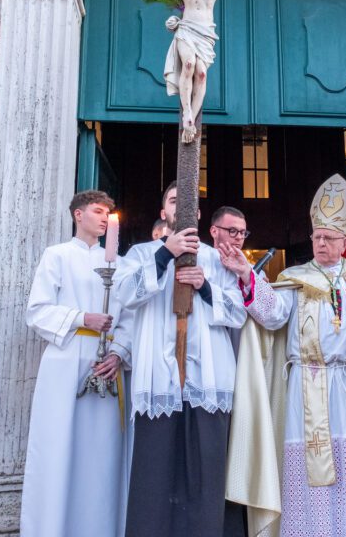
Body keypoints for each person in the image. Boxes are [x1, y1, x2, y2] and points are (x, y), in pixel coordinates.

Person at [220, 173, 346, 536]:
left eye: (329, 238)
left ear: (345, 241)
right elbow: (273, 315)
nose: (321, 244)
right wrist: (248, 275)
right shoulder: (296, 277)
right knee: (310, 475)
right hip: (309, 386)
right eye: (316, 237)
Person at [113, 182, 248, 537]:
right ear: (164, 212)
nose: (182, 207)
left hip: (208, 381)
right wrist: (164, 255)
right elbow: (125, 295)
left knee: (206, 479)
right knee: (153, 479)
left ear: (199, 214)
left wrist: (205, 287)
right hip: (160, 380)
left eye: (189, 202)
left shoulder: (218, 259)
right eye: (174, 201)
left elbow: (238, 314)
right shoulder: (142, 254)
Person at [20, 190, 126, 536]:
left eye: (108, 213)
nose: (104, 218)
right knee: (58, 447)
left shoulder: (120, 264)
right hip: (66, 360)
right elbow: (37, 311)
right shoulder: (57, 256)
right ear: (77, 215)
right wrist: (83, 318)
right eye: (97, 211)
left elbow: (130, 318)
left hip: (105, 366)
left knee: (101, 455)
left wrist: (118, 352)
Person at [110, 0, 281, 142]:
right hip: (187, 27)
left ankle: (192, 116)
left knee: (201, 74)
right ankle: (187, 116)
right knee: (189, 64)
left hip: (206, 29)